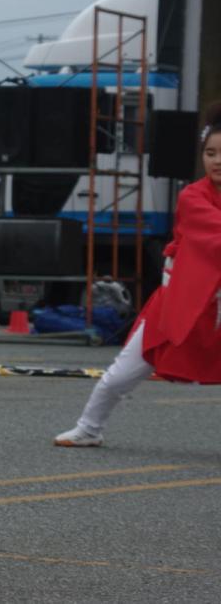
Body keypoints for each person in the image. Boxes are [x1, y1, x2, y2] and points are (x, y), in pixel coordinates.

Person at [54, 102, 221, 448]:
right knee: (121, 374)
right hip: (179, 302)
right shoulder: (192, 197)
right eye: (210, 152)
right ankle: (89, 427)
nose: (217, 160)